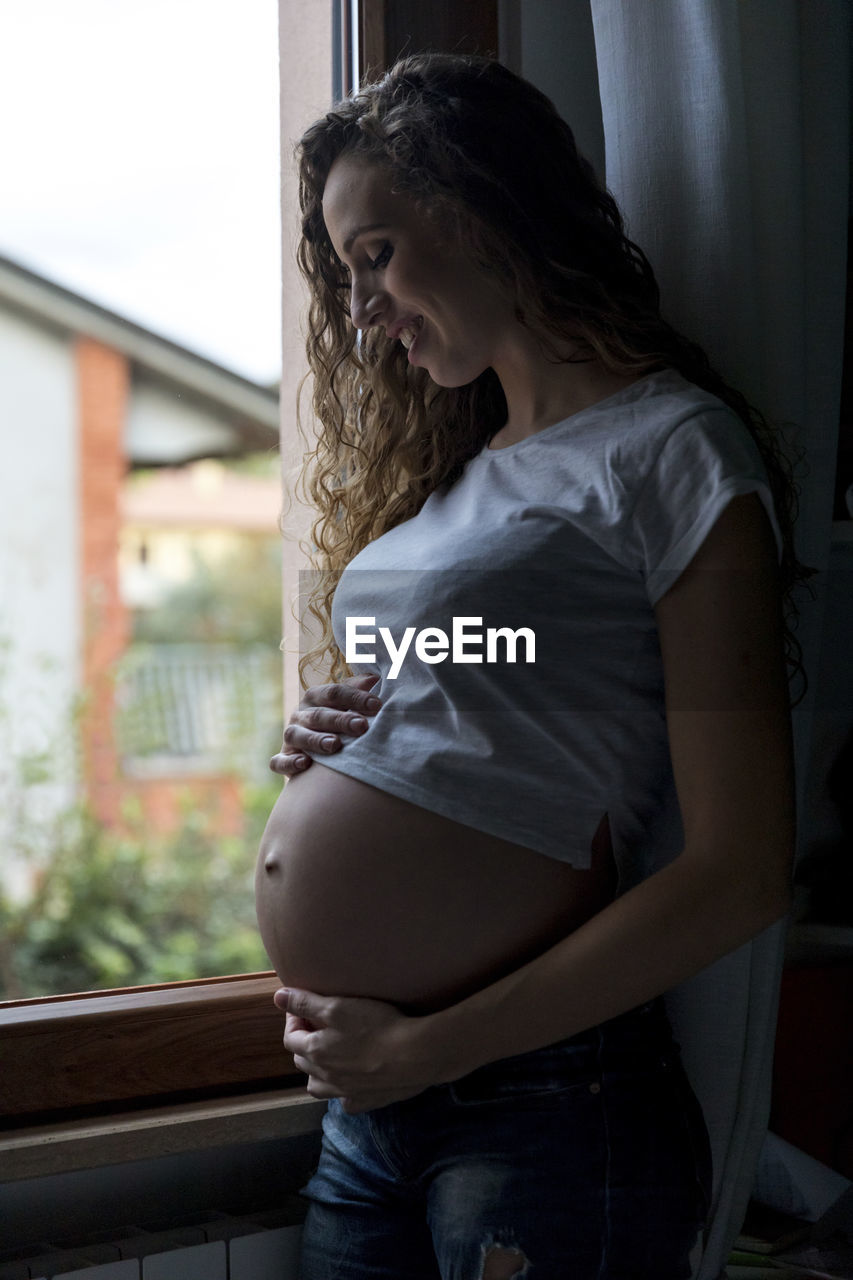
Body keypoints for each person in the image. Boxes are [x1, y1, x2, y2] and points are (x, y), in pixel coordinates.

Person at [254, 53, 804, 1279]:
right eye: (348, 276)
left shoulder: (672, 451)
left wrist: (434, 1046)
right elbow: (501, 689)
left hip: (544, 1104)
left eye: (376, 254)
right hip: (371, 1110)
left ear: (478, 203)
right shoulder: (464, 477)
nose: (364, 313)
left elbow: (740, 868)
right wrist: (354, 717)